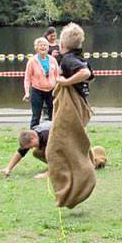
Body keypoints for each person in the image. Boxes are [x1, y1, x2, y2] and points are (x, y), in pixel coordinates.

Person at [46, 23, 97, 208]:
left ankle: (71, 189)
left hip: (72, 109)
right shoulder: (75, 57)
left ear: (62, 44)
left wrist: (66, 81)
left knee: (54, 148)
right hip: (80, 108)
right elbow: (91, 75)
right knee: (70, 145)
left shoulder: (69, 60)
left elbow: (85, 73)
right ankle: (70, 188)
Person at [23, 37, 60, 129]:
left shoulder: (52, 60)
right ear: (36, 48)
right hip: (37, 90)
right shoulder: (32, 61)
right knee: (36, 115)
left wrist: (59, 89)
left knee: (54, 114)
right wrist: (27, 92)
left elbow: (57, 76)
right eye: (41, 45)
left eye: (45, 45)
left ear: (48, 47)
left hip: (51, 91)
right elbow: (27, 78)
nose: (43, 47)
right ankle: (33, 136)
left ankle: (53, 134)